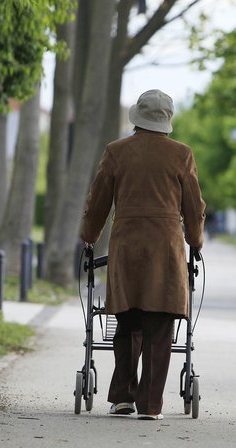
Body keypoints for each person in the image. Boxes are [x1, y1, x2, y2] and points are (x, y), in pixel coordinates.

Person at [80, 89, 206, 420]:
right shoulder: (182, 154)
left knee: (127, 320)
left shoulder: (116, 152)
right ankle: (151, 405)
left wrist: (88, 237)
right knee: (159, 325)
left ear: (137, 117)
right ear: (167, 121)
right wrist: (195, 239)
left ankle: (123, 396)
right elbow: (194, 206)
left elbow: (98, 202)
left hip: (127, 247)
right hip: (165, 249)